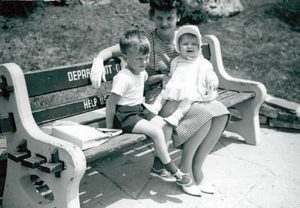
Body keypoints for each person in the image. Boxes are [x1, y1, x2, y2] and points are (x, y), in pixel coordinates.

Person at [90, 0, 229, 197]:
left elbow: (200, 63)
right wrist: (98, 60)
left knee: (221, 114)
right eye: (159, 18)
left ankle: (197, 169)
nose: (164, 23)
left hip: (187, 92)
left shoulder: (184, 37)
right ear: (152, 17)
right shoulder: (146, 40)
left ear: (178, 17)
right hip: (158, 95)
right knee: (203, 116)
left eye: (170, 18)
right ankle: (186, 169)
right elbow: (112, 51)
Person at [105, 29, 192, 187]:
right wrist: (109, 128)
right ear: (125, 58)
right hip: (125, 117)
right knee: (156, 131)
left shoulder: (140, 71)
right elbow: (111, 104)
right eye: (139, 58)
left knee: (164, 125)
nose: (144, 62)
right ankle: (173, 170)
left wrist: (161, 77)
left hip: (139, 111)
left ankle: (157, 167)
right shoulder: (122, 78)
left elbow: (146, 80)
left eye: (146, 58)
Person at [144, 25, 219, 127]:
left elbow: (210, 74)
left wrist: (212, 82)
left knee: (187, 101)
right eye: (185, 44)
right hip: (176, 86)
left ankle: (176, 117)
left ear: (199, 46)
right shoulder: (176, 61)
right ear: (179, 47)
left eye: (194, 44)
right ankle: (156, 107)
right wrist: (168, 82)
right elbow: (172, 74)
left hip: (191, 89)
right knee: (164, 94)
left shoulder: (203, 63)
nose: (190, 46)